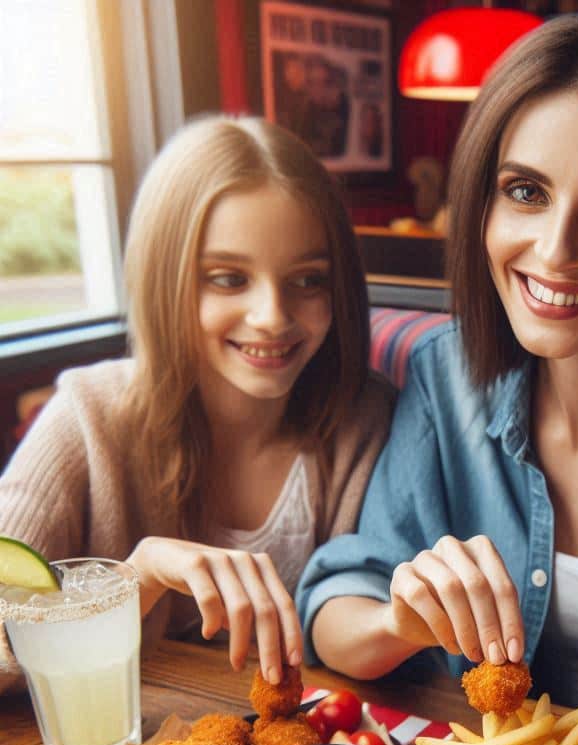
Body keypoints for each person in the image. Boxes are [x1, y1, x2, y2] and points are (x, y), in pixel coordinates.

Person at [296, 10, 578, 711]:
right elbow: (333, 608)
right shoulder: (447, 379)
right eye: (527, 193)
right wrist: (398, 621)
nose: (554, 250)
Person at [0, 116, 394, 691]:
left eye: (308, 280)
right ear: (166, 282)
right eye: (229, 278)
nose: (272, 316)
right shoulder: (85, 416)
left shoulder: (367, 418)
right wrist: (138, 577)